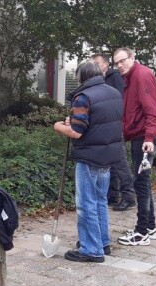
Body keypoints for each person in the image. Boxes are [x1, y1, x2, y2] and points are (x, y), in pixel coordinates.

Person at [53, 61, 125, 262]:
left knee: (86, 203)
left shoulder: (83, 97)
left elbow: (76, 132)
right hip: (109, 155)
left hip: (89, 157)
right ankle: (102, 242)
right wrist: (74, 122)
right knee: (100, 200)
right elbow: (98, 122)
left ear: (82, 77)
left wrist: (58, 127)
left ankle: (90, 249)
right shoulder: (113, 93)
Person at [111, 47, 156, 247]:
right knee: (143, 181)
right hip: (139, 136)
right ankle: (150, 226)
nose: (120, 65)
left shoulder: (141, 76)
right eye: (116, 63)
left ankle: (142, 232)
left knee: (141, 182)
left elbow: (153, 111)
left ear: (133, 58)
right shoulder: (131, 78)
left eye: (122, 60)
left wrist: (149, 138)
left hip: (145, 138)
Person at [93, 52, 135, 211]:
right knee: (109, 162)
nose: (95, 66)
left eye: (97, 63)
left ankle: (128, 197)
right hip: (106, 126)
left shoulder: (115, 77)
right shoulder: (100, 80)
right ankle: (112, 196)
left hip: (116, 126)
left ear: (106, 64)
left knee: (119, 162)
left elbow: (120, 101)